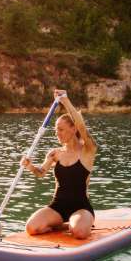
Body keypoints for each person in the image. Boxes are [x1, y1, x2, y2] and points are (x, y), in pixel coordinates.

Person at [20, 89, 97, 239]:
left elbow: (82, 126)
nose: (57, 134)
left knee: (79, 233)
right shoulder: (54, 153)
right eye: (55, 130)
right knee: (31, 227)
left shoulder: (88, 150)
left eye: (61, 129)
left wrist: (65, 101)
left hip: (81, 207)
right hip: (57, 206)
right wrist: (29, 166)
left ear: (73, 129)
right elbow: (41, 172)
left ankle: (78, 223)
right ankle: (61, 224)